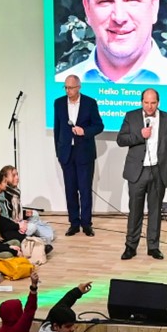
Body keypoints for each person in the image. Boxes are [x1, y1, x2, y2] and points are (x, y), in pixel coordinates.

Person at [116, 87, 167, 261]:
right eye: (146, 103)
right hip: (137, 172)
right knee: (135, 211)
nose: (149, 106)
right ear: (141, 102)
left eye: (153, 103)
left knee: (155, 211)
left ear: (158, 102)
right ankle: (130, 246)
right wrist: (140, 135)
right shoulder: (131, 117)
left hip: (158, 171)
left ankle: (153, 247)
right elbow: (121, 139)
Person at [52, 74, 103, 236]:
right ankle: (74, 223)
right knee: (70, 190)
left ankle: (86, 224)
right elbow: (57, 130)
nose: (68, 90)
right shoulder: (59, 103)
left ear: (79, 87)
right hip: (67, 153)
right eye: (66, 87)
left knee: (85, 190)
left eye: (71, 87)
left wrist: (84, 131)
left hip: (84, 154)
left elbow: (99, 126)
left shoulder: (90, 103)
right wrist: (59, 153)